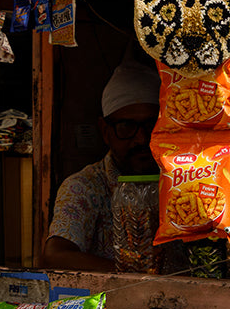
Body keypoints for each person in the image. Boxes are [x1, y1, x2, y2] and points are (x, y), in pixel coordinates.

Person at [42, 60, 159, 271]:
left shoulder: (183, 182)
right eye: (126, 126)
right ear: (105, 131)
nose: (141, 139)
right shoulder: (84, 187)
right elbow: (55, 256)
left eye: (151, 125)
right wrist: (135, 278)